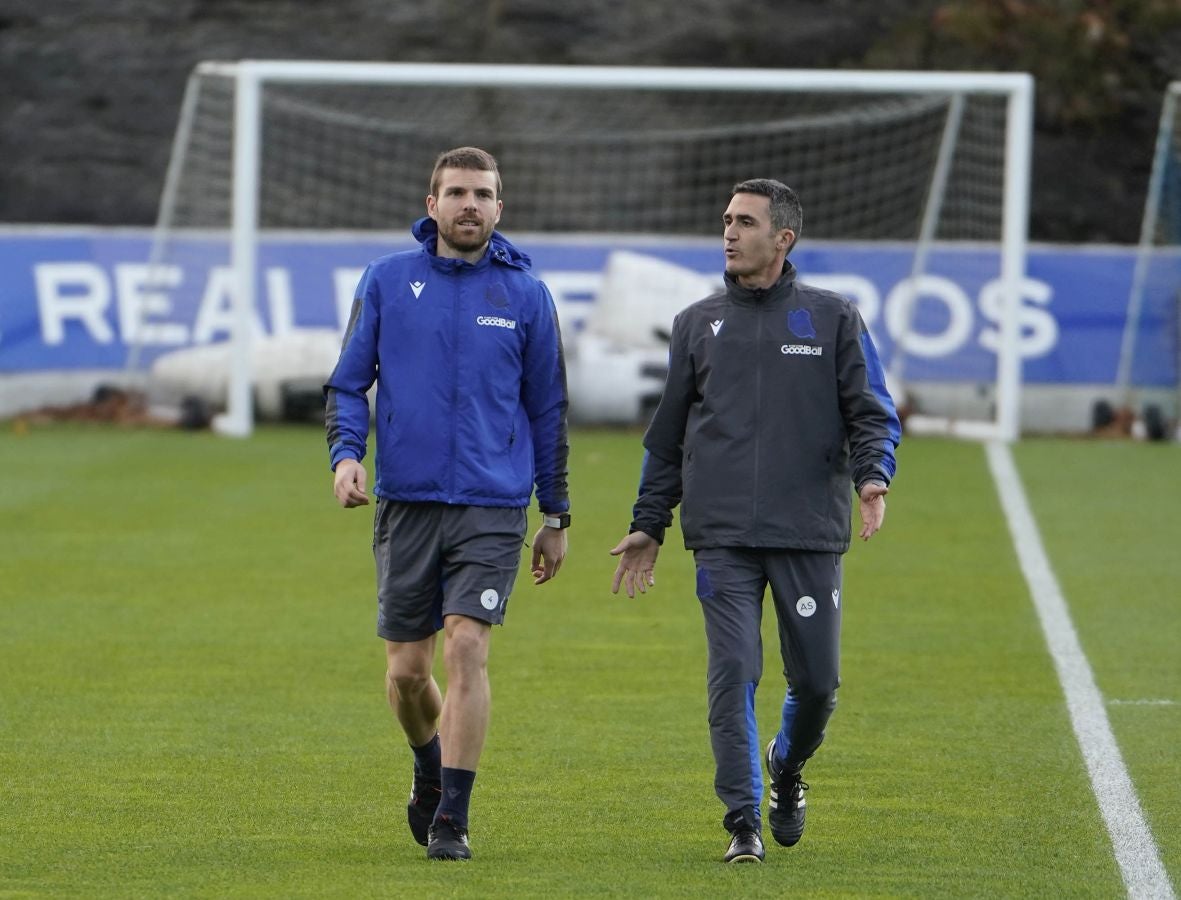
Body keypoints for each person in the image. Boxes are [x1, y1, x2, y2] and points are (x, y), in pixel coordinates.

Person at [609, 178, 900, 864]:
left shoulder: (834, 318)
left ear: (782, 238)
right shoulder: (696, 323)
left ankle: (786, 768)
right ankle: (742, 821)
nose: (729, 233)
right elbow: (667, 437)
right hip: (722, 536)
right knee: (733, 671)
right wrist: (650, 521)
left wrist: (872, 477)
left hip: (807, 531)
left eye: (744, 222)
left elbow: (871, 412)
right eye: (726, 220)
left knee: (818, 685)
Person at [324, 146, 571, 862]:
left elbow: (548, 410)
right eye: (458, 192)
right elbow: (347, 383)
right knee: (407, 674)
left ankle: (452, 819)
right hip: (407, 502)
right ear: (431, 205)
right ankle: (429, 767)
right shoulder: (386, 281)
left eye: (483, 194)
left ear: (500, 208)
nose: (470, 205)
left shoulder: (526, 296)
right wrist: (347, 455)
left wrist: (555, 514)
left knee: (467, 645)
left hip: (492, 507)